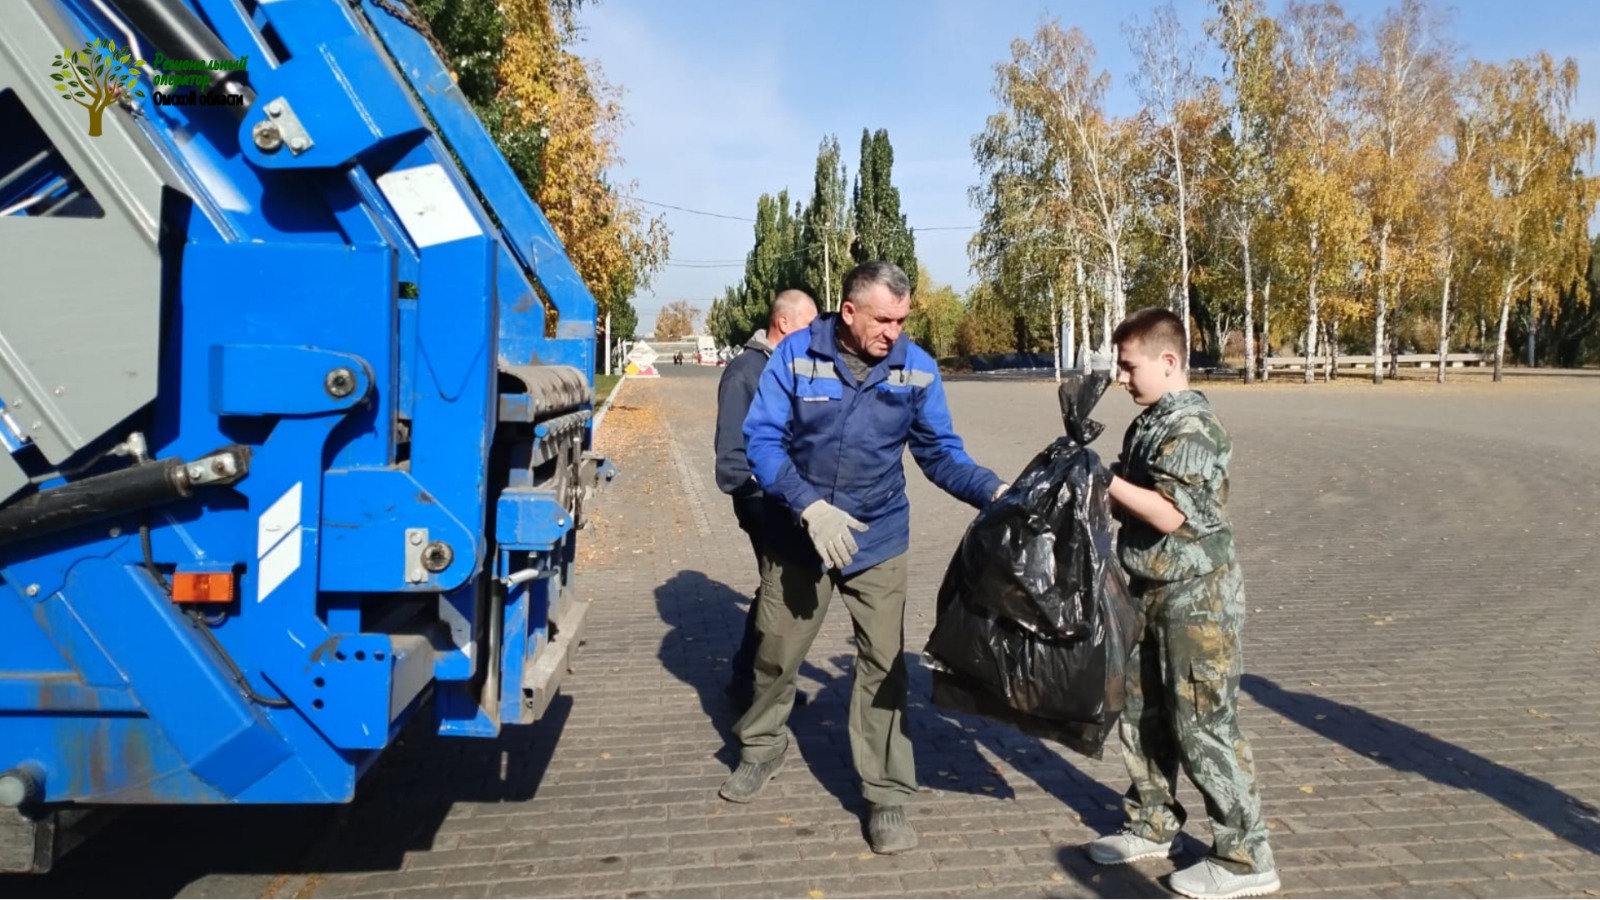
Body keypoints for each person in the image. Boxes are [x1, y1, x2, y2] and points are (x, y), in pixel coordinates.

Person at [719, 261, 1008, 855]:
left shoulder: (915, 368)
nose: (893, 332)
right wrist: (806, 506)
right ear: (848, 312)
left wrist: (992, 491)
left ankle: (886, 794)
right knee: (776, 651)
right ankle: (761, 746)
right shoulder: (794, 356)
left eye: (902, 320)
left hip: (877, 538)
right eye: (883, 319)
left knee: (883, 666)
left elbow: (940, 454)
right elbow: (762, 441)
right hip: (799, 536)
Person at [1088, 307, 1278, 899]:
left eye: (1129, 365)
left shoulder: (1193, 427)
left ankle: (1247, 857)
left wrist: (1102, 478)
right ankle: (1152, 821)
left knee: (1204, 726)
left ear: (1167, 362)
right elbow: (1131, 502)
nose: (1121, 378)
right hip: (1147, 589)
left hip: (1197, 603)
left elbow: (1169, 514)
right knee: (1141, 715)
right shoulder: (1149, 422)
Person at [713, 289, 819, 708]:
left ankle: (749, 681)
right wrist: (762, 493)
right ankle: (755, 690)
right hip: (761, 499)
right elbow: (731, 459)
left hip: (788, 496)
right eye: (810, 326)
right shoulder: (745, 371)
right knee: (783, 589)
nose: (816, 336)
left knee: (775, 588)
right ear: (785, 324)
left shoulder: (790, 366)